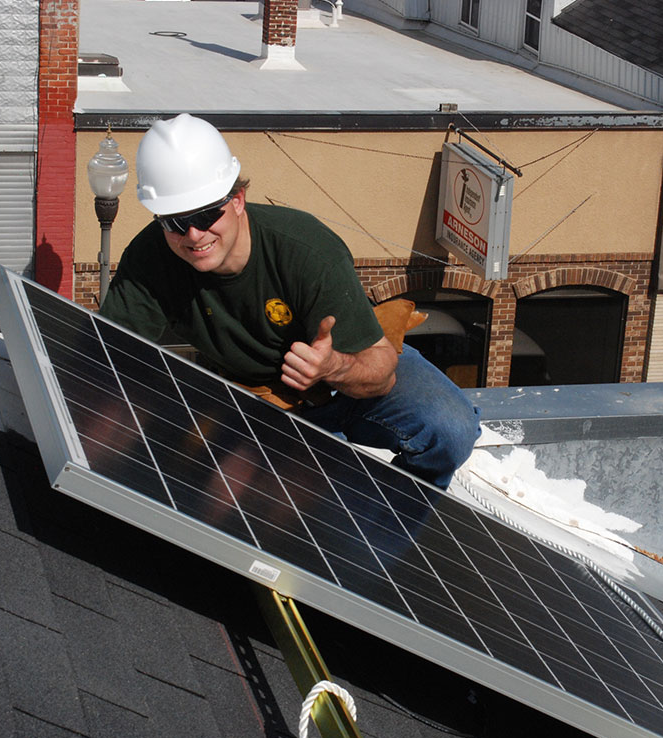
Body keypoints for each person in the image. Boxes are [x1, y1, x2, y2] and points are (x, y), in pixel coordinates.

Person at [100, 114, 480, 489]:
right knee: (249, 493)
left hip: (345, 376)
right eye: (175, 221)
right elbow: (109, 357)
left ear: (237, 199)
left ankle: (394, 520)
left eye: (206, 213)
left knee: (450, 429)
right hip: (252, 396)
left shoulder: (306, 251)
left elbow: (380, 373)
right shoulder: (151, 259)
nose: (195, 234)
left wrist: (332, 366)